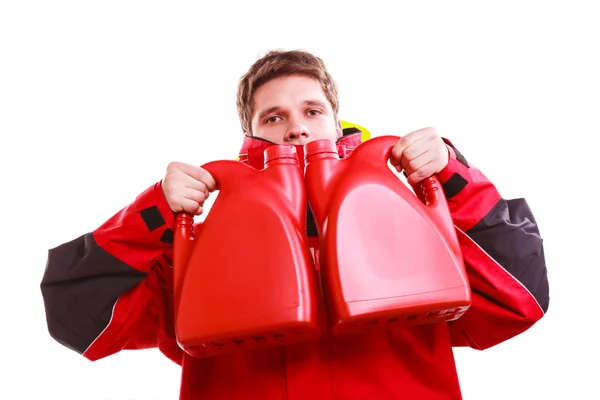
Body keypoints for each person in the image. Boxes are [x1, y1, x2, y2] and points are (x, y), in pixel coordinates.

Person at [40, 49, 550, 400]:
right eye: (273, 117)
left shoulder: (412, 221)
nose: (297, 126)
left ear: (336, 121)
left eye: (312, 110)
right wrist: (152, 214)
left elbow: (521, 297)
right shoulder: (200, 244)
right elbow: (76, 319)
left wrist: (451, 177)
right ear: (250, 134)